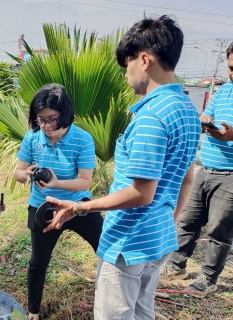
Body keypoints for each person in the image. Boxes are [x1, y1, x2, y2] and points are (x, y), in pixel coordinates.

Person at [43, 16, 201, 319]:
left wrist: (79, 208)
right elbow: (187, 179)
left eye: (127, 65)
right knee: (142, 311)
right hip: (159, 236)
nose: (126, 76)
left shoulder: (150, 117)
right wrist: (169, 219)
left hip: (128, 241)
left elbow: (140, 194)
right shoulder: (187, 110)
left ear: (144, 59)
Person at [14, 83, 103, 320]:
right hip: (43, 208)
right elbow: (18, 171)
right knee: (38, 262)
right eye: (40, 120)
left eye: (51, 119)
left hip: (78, 206)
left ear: (65, 113)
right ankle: (33, 311)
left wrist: (55, 183)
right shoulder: (33, 137)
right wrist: (25, 175)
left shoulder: (83, 139)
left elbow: (85, 181)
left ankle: (109, 296)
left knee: (106, 248)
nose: (46, 126)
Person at [160, 42, 233, 298]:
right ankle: (176, 265)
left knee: (219, 229)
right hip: (206, 167)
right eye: (231, 68)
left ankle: (208, 279)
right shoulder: (223, 91)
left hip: (231, 175)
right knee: (188, 220)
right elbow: (208, 113)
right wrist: (205, 120)